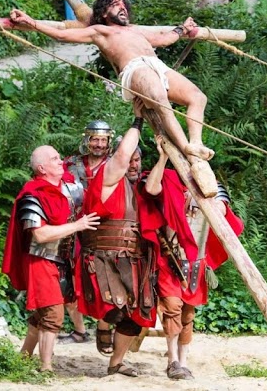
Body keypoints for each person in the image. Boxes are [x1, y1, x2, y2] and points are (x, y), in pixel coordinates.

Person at [9, 0, 215, 163]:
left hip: (157, 65)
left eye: (124, 5)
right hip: (135, 69)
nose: (122, 7)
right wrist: (31, 22)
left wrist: (182, 28)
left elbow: (163, 39)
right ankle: (185, 146)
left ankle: (195, 142)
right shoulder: (100, 31)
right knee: (160, 99)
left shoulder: (134, 29)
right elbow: (60, 35)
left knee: (198, 97)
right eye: (116, 5)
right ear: (105, 12)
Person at [143, 136, 243, 380]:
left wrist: (203, 200)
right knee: (172, 308)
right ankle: (173, 360)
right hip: (171, 258)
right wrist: (163, 157)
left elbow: (222, 210)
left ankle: (183, 360)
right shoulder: (167, 178)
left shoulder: (210, 184)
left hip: (196, 261)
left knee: (187, 315)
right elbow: (151, 189)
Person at [75, 114, 162, 376]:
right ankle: (102, 327)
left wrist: (164, 153)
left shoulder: (138, 187)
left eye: (138, 160)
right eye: (129, 160)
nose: (133, 164)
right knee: (116, 309)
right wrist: (138, 120)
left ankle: (116, 363)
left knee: (137, 316)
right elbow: (122, 156)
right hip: (106, 261)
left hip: (135, 261)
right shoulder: (108, 178)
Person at [2, 145, 95, 372]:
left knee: (42, 313)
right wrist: (78, 225)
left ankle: (23, 356)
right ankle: (45, 368)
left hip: (65, 261)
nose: (60, 161)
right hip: (41, 260)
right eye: (54, 159)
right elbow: (40, 234)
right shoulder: (32, 194)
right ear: (42, 168)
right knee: (53, 314)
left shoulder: (70, 188)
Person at [57, 119, 114, 345]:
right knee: (68, 278)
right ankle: (80, 331)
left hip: (106, 229)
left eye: (102, 140)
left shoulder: (115, 164)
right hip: (74, 227)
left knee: (105, 280)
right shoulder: (71, 164)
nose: (98, 144)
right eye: (94, 139)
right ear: (87, 140)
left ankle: (105, 327)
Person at [63, 119, 114, 187]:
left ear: (108, 142)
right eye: (95, 140)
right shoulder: (71, 162)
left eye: (104, 140)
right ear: (87, 141)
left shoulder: (113, 164)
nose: (99, 145)